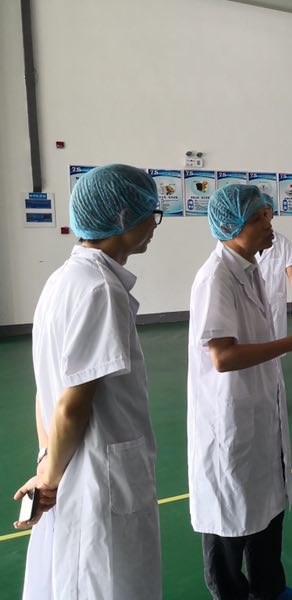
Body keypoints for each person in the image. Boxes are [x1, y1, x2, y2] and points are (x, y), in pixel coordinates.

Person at [14, 164, 164, 599]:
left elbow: (46, 388)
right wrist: (49, 479)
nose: (153, 226)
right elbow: (72, 404)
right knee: (105, 581)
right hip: (98, 477)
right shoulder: (101, 289)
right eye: (150, 215)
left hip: (71, 464)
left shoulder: (62, 279)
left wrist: (47, 461)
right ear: (124, 218)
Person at [188, 184, 292, 600]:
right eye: (257, 219)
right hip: (228, 418)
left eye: (268, 215)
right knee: (229, 518)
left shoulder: (249, 268)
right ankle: (230, 592)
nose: (269, 225)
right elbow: (223, 357)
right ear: (230, 227)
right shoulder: (216, 277)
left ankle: (269, 587)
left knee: (267, 504)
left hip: (259, 407)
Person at [255, 194, 292, 339]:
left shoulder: (282, 243)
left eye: (267, 208)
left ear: (272, 214)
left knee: (276, 343)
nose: (263, 212)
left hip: (275, 302)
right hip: (252, 302)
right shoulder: (246, 242)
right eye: (259, 209)